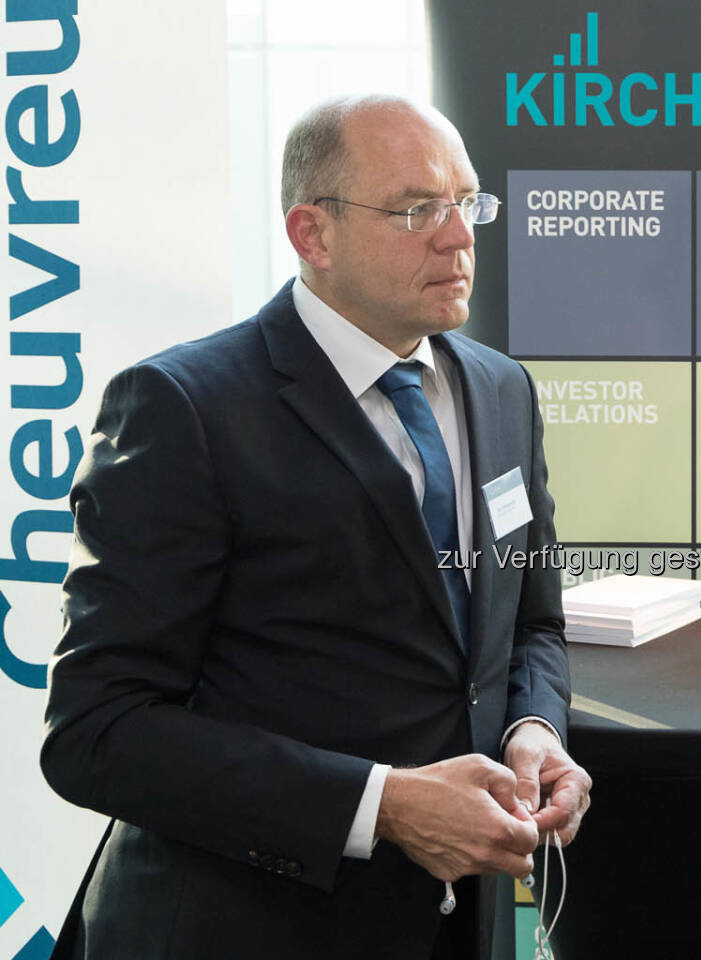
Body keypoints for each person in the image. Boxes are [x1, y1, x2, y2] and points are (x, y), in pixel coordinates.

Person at [40, 94, 590, 960]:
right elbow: (97, 732)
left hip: (458, 924)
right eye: (417, 209)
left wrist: (534, 730)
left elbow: (531, 628)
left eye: (468, 202)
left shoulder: (501, 390)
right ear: (312, 235)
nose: (459, 237)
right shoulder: (183, 408)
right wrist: (385, 806)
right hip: (245, 928)